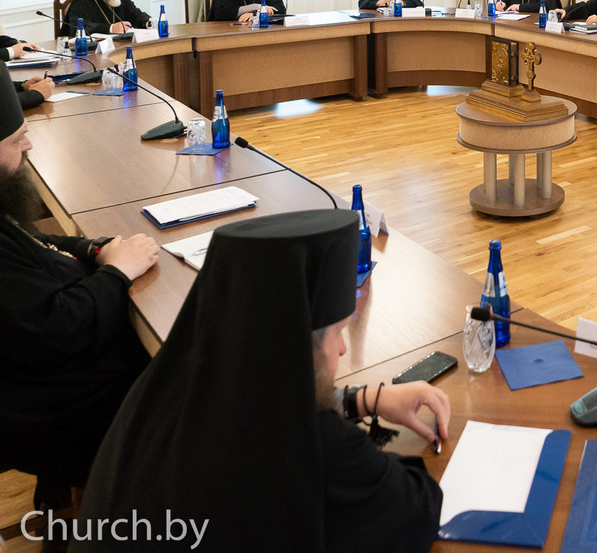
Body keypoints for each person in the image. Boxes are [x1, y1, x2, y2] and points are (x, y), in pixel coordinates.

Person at [77, 210, 448, 552]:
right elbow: (418, 505)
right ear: (297, 344)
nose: (341, 348)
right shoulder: (314, 447)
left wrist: (359, 399)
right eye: (337, 332)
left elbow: (268, 393)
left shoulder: (167, 388)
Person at [0, 74, 158, 513]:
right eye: (16, 139)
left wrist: (93, 249)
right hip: (42, 407)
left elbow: (33, 241)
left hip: (36, 374)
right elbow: (56, 329)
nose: (28, 145)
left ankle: (57, 493)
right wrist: (118, 273)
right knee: (173, 363)